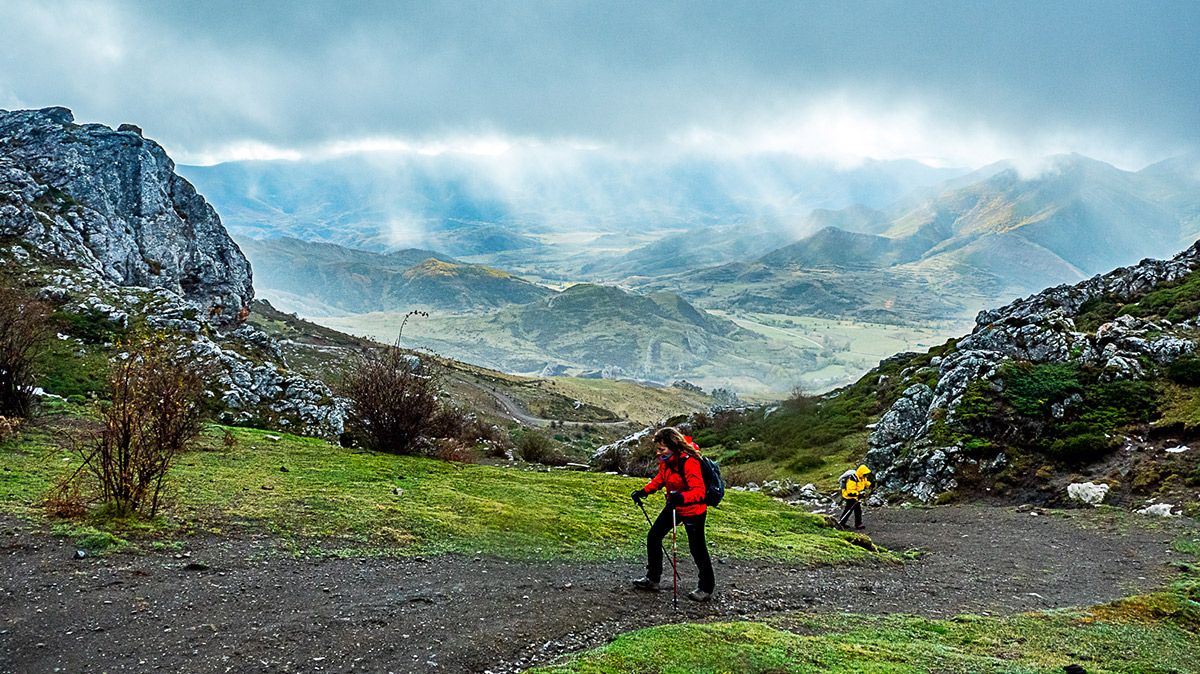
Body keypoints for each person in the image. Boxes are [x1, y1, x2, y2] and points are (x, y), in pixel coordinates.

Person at [629, 427, 715, 601]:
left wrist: (681, 497)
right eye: (657, 449)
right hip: (675, 505)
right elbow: (661, 478)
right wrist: (643, 492)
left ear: (673, 446)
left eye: (662, 449)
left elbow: (699, 491)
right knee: (654, 536)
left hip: (693, 509)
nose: (658, 453)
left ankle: (706, 588)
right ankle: (652, 579)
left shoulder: (689, 462)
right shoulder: (666, 460)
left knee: (697, 548)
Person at [838, 464, 872, 530]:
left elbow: (865, 483)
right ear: (861, 472)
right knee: (849, 510)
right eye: (865, 474)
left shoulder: (862, 478)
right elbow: (850, 491)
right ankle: (842, 523)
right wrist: (858, 494)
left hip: (856, 496)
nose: (866, 475)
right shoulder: (852, 479)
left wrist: (870, 485)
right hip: (850, 496)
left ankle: (852, 523)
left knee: (856, 510)